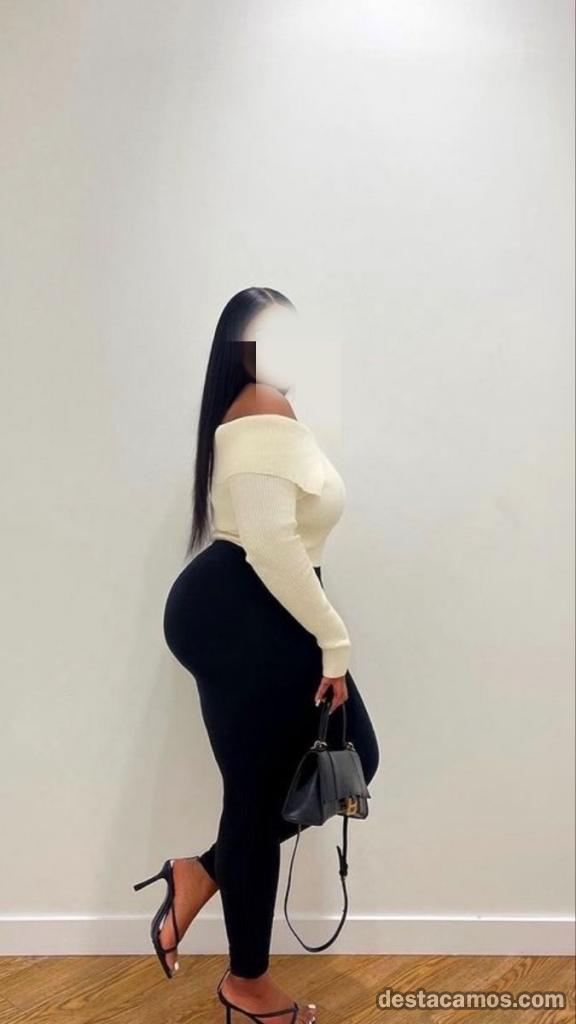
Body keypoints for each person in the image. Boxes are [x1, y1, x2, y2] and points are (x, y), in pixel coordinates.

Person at [135, 287, 380, 1024]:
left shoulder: (268, 408)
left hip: (250, 608)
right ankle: (247, 984)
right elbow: (272, 545)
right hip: (243, 609)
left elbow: (281, 541)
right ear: (244, 347)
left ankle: (203, 875)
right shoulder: (262, 406)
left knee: (328, 767)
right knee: (262, 793)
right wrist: (333, 642)